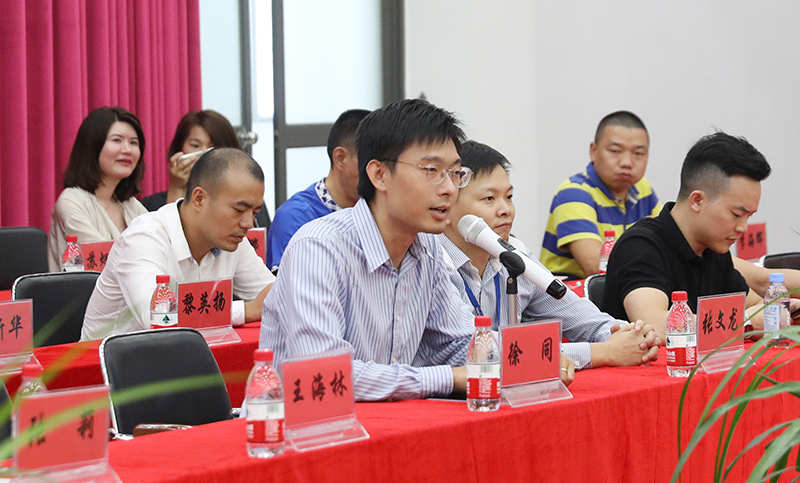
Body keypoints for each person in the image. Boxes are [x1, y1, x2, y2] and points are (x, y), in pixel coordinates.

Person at [260, 99, 575, 402]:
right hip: (291, 431)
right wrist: (449, 378)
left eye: (455, 173)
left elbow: (457, 342)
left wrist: (532, 357)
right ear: (379, 175)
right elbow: (326, 374)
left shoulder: (427, 248)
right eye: (432, 170)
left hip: (390, 425)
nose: (449, 188)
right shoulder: (318, 248)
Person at [442, 141, 659, 370]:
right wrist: (603, 352)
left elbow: (583, 319)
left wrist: (631, 335)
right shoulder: (434, 264)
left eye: (509, 196)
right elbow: (471, 349)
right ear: (446, 207)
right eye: (489, 199)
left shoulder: (514, 255)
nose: (506, 210)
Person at [602, 131, 797, 340]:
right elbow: (655, 325)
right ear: (697, 201)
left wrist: (778, 312)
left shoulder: (714, 249)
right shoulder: (640, 246)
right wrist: (746, 323)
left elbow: (755, 305)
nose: (743, 228)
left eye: (749, 216)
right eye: (737, 214)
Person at [81, 148, 274, 341]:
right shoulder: (144, 238)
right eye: (239, 210)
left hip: (186, 356)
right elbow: (160, 319)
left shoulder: (232, 239)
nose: (248, 223)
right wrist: (246, 310)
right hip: (110, 358)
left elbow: (272, 296)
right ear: (199, 199)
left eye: (254, 213)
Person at [540, 111, 660, 279]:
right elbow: (598, 267)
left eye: (638, 154)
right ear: (593, 151)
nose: (627, 162)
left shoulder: (643, 190)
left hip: (625, 287)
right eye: (615, 151)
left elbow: (667, 246)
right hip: (574, 293)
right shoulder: (574, 193)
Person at [266, 109, 369, 272]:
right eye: (371, 162)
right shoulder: (295, 218)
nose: (380, 173)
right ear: (340, 158)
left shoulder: (380, 209)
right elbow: (297, 284)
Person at [48, 106, 148, 272]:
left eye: (133, 143)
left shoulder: (131, 205)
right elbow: (103, 263)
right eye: (117, 140)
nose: (127, 150)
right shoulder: (71, 201)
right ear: (93, 146)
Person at [141, 109, 270, 228]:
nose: (204, 154)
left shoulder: (248, 203)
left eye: (213, 147)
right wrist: (176, 188)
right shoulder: (152, 205)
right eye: (195, 145)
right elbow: (170, 237)